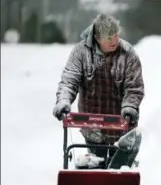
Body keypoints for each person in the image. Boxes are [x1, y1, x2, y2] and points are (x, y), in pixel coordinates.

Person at [52, 14, 145, 168]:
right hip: (92, 125)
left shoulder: (128, 54)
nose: (114, 41)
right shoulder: (81, 52)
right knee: (95, 168)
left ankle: (118, 183)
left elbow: (134, 87)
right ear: (97, 37)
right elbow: (69, 81)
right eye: (109, 38)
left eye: (116, 35)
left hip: (121, 124)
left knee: (119, 170)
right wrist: (63, 101)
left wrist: (130, 106)